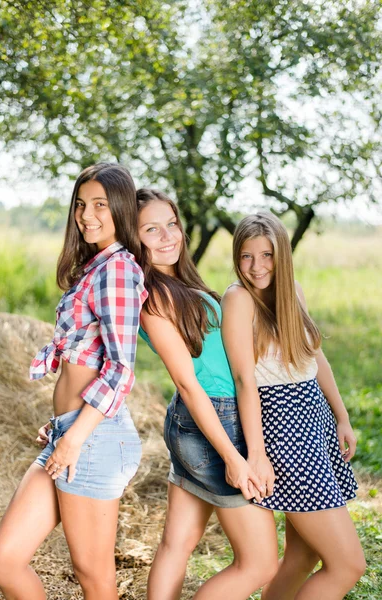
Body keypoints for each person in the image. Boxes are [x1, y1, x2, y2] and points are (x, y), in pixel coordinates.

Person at [0, 163, 148, 600]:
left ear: (121, 210)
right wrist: (63, 425)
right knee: (3, 559)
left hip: (91, 438)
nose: (87, 215)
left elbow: (120, 368)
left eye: (100, 205)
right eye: (80, 205)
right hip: (70, 431)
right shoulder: (95, 268)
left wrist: (75, 435)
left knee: (93, 576)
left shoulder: (117, 270)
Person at [136, 189, 279, 600]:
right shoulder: (155, 295)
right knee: (260, 563)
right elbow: (187, 381)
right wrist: (235, 457)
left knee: (176, 544)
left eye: (171, 224)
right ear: (134, 237)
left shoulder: (177, 283)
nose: (167, 236)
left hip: (198, 419)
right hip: (213, 421)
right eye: (151, 230)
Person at [221, 212, 366, 600]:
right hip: (284, 433)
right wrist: (257, 455)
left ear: (281, 254)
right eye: (247, 256)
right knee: (349, 565)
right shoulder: (237, 299)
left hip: (313, 421)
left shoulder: (292, 291)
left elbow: (315, 359)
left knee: (303, 558)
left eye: (266, 255)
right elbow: (244, 382)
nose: (256, 266)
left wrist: (342, 417)